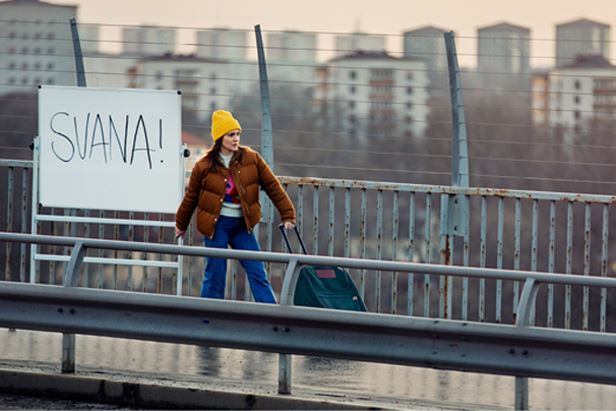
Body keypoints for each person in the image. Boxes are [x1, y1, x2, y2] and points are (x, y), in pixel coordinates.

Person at [175, 110, 296, 303]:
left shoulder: (251, 159)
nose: (236, 138)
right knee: (215, 275)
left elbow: (273, 186)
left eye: (238, 134)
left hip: (242, 225)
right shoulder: (204, 166)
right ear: (220, 137)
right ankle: (207, 321)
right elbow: (191, 197)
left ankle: (271, 316)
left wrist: (288, 215)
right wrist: (181, 224)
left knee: (257, 272)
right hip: (216, 227)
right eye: (231, 135)